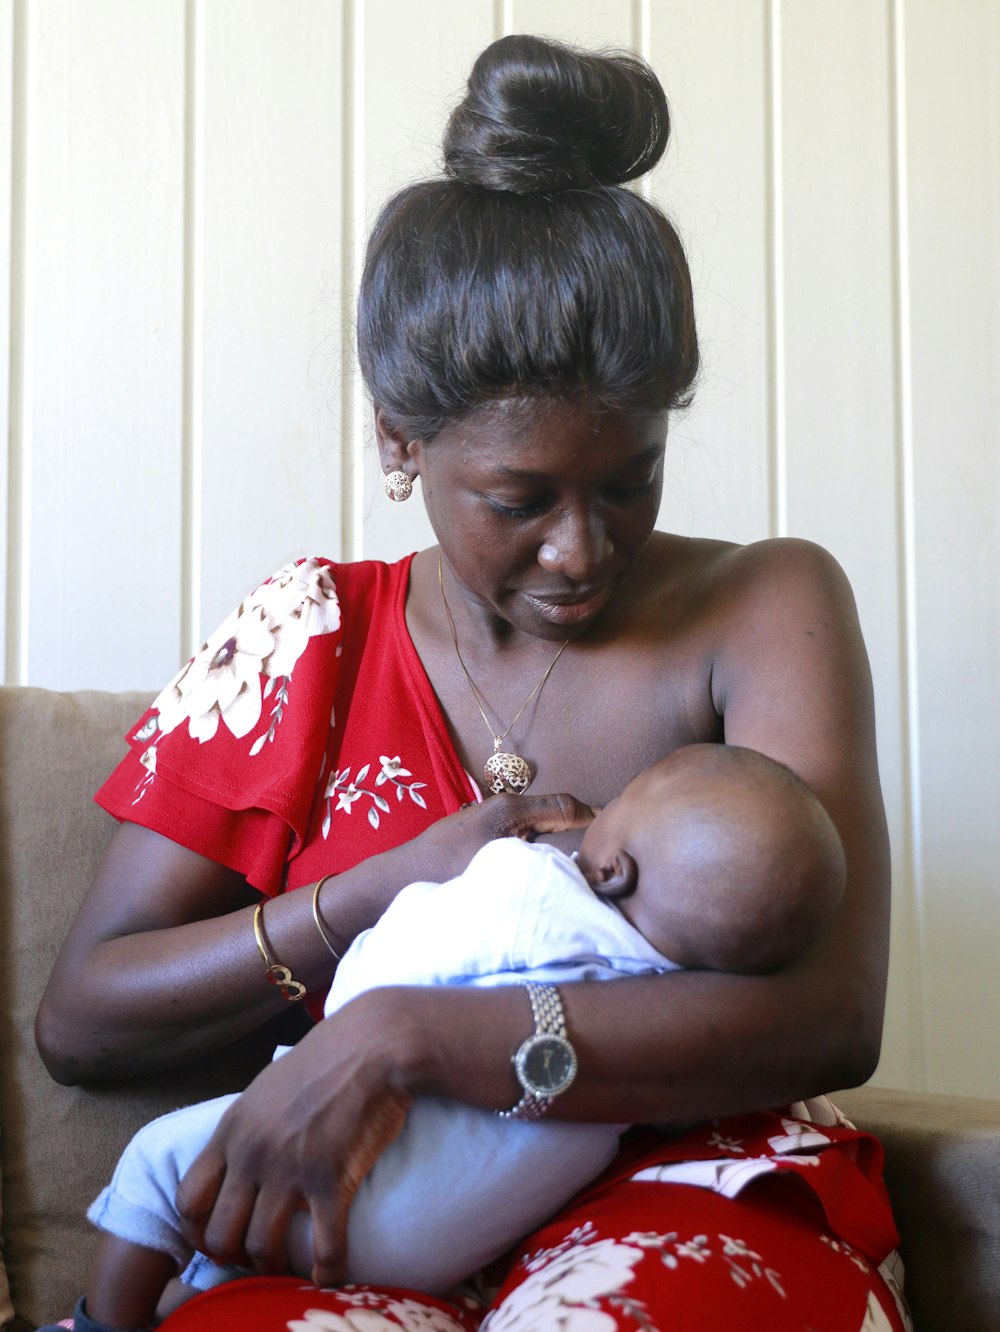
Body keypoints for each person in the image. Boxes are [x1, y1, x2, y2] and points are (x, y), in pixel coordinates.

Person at [36, 32, 911, 1332]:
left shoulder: (766, 606)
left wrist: (405, 1039)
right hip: (353, 1212)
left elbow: (831, 1016)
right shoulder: (310, 635)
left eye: (629, 482)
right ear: (402, 439)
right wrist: (380, 890)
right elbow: (85, 1016)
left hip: (694, 1182)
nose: (582, 548)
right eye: (521, 500)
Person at [44, 745, 846, 1330]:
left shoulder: (532, 887)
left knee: (162, 1162)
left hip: (347, 1170)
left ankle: (100, 1323)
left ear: (613, 870)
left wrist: (382, 1011)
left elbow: (387, 974)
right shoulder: (686, 1011)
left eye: (620, 799)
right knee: (233, 1255)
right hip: (447, 1249)